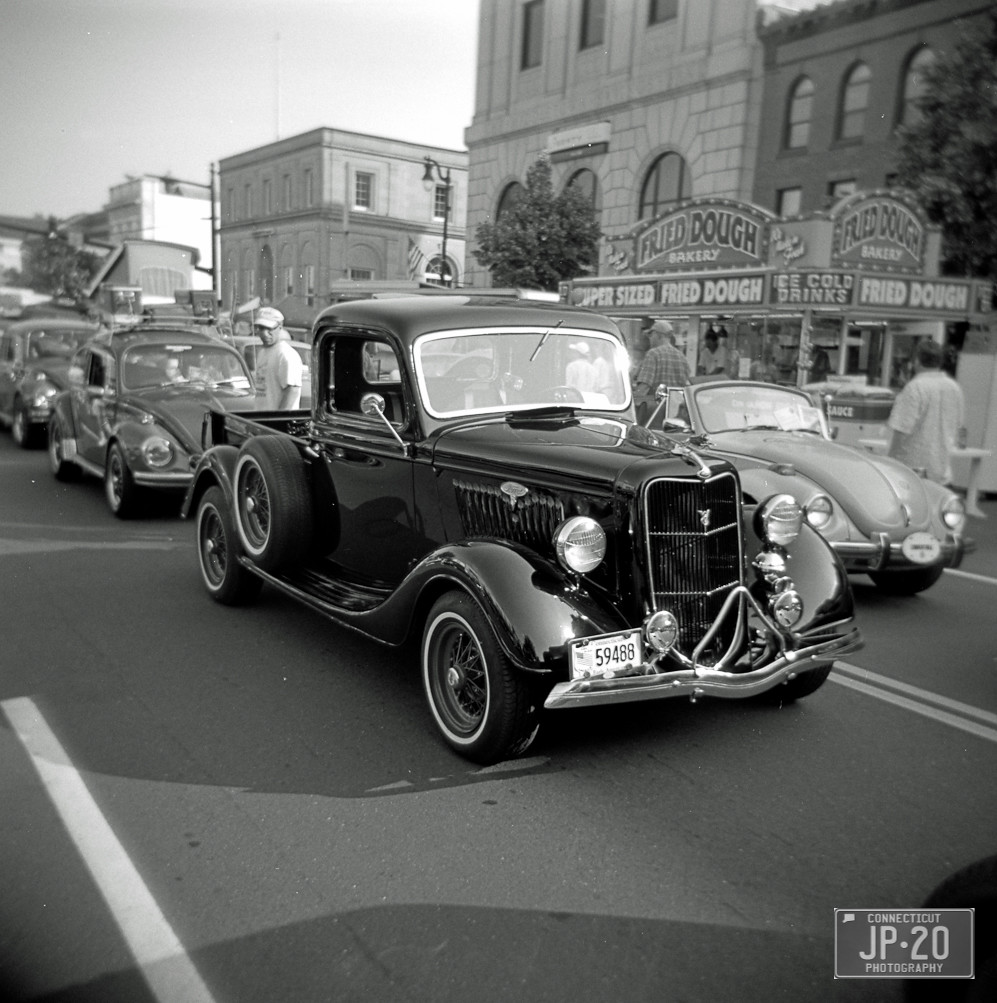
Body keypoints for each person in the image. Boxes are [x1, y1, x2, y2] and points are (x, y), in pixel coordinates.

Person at [887, 339, 965, 484]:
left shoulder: (914, 388)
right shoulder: (954, 388)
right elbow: (957, 425)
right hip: (941, 469)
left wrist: (889, 462)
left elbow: (901, 430)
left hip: (912, 470)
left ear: (916, 360)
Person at [632, 319, 691, 420]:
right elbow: (686, 386)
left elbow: (644, 387)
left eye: (651, 335)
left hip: (654, 413)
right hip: (674, 413)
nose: (650, 339)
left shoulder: (653, 354)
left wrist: (630, 401)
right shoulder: (682, 357)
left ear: (658, 335)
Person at [253, 307, 302, 409]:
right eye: (261, 328)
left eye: (269, 329)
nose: (265, 333)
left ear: (280, 327)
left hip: (275, 422)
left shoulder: (286, 354)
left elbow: (292, 391)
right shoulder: (262, 352)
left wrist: (278, 420)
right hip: (261, 420)